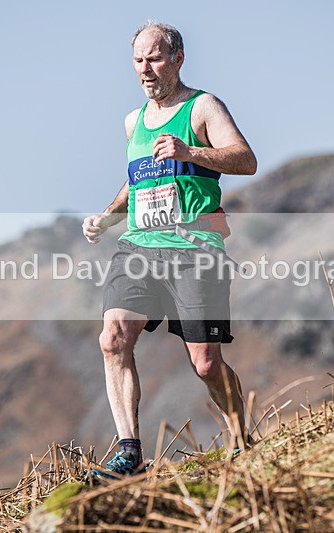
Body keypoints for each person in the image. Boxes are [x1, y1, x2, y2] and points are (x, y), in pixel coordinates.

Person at [82, 21, 257, 476]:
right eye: (138, 60)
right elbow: (138, 180)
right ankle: (129, 452)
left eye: (154, 58)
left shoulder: (203, 107)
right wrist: (108, 215)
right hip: (139, 245)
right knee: (113, 338)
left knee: (204, 363)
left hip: (195, 247)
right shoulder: (132, 121)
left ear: (178, 58)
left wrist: (191, 152)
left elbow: (245, 159)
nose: (146, 69)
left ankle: (242, 439)